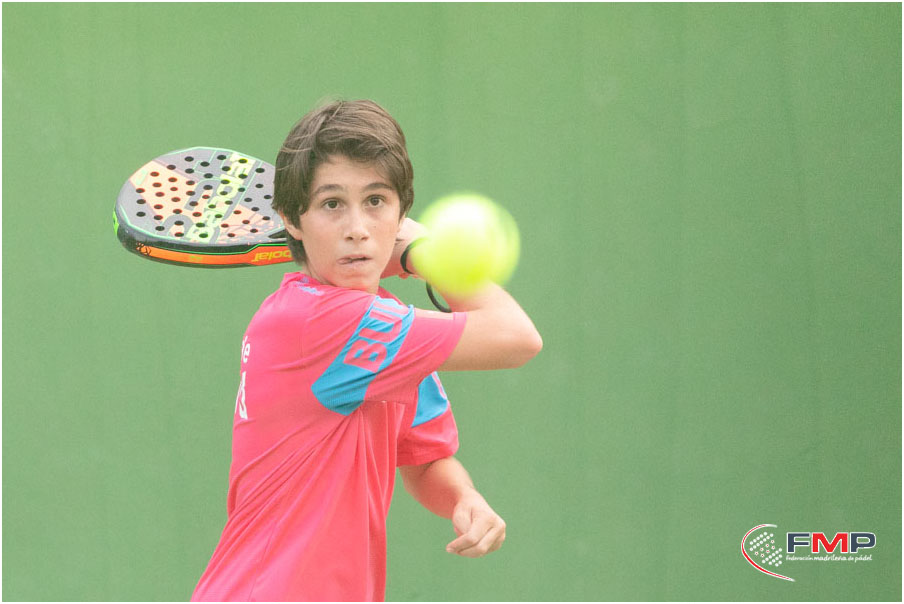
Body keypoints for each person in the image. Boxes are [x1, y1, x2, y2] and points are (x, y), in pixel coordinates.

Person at [191, 99, 542, 602]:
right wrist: (425, 253)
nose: (357, 227)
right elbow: (517, 338)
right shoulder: (320, 321)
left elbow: (423, 460)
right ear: (292, 220)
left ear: (400, 213)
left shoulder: (385, 325)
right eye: (332, 204)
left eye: (376, 201)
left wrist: (464, 498)